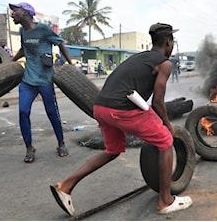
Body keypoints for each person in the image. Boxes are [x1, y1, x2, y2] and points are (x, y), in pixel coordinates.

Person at [49, 22, 193, 216]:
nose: (172, 45)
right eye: (172, 41)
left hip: (100, 107)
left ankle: (65, 185)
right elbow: (158, 102)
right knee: (166, 141)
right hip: (121, 109)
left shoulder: (139, 58)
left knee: (113, 150)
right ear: (168, 42)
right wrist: (168, 124)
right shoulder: (164, 63)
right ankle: (166, 201)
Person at [9, 2, 73, 163]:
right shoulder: (22, 30)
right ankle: (29, 147)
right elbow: (24, 49)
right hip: (28, 80)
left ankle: (61, 142)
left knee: (52, 113)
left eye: (15, 11)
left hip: (45, 79)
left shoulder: (43, 29)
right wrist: (10, 62)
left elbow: (60, 42)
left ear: (26, 12)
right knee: (23, 112)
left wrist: (70, 64)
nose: (12, 13)